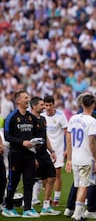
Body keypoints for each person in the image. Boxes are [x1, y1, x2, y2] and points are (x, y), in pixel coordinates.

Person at [2, 90, 40, 218]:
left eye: (28, 97)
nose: (28, 100)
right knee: (13, 181)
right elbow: (7, 136)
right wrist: (21, 142)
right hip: (16, 154)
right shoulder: (11, 117)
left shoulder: (31, 118)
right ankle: (8, 207)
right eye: (25, 98)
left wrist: (36, 143)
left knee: (29, 181)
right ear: (18, 101)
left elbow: (36, 134)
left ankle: (27, 209)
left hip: (29, 155)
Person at [65, 94, 96, 221]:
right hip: (86, 157)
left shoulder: (73, 118)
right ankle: (77, 214)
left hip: (75, 157)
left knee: (79, 185)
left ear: (82, 104)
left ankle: (78, 212)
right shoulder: (92, 121)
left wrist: (69, 158)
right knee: (84, 186)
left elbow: (68, 140)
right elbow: (92, 142)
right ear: (93, 105)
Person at [29, 97, 60, 216]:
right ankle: (28, 205)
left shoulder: (42, 119)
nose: (44, 106)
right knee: (32, 180)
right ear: (34, 106)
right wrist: (33, 157)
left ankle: (46, 207)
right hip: (34, 154)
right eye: (42, 105)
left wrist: (51, 150)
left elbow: (45, 137)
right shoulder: (29, 120)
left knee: (52, 177)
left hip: (44, 153)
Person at [42, 95, 68, 206]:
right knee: (43, 175)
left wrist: (67, 149)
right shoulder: (42, 116)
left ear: (54, 104)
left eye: (50, 105)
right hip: (45, 149)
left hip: (58, 149)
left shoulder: (61, 116)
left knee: (57, 173)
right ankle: (49, 197)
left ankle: (56, 199)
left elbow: (67, 133)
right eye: (46, 105)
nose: (48, 107)